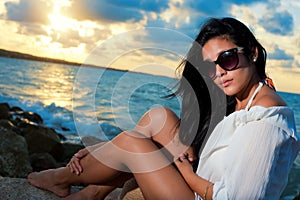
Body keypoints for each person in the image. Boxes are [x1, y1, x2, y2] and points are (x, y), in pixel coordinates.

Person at [27, 17, 300, 200]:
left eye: (227, 59)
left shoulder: (266, 121)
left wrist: (186, 174)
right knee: (159, 118)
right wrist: (106, 153)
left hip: (197, 193)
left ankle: (60, 177)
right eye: (209, 66)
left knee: (133, 143)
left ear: (251, 53)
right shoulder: (243, 96)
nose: (219, 73)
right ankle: (93, 192)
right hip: (197, 180)